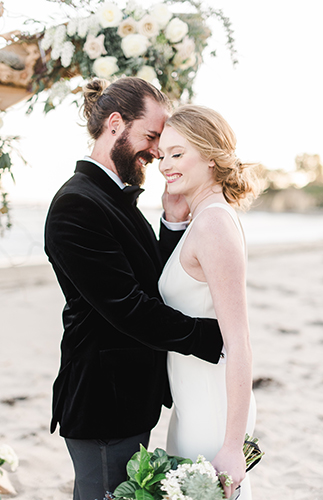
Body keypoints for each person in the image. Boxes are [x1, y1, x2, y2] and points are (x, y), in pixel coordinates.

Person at [44, 78, 224, 500]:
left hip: (126, 397)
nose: (158, 151)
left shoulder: (112, 197)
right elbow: (127, 306)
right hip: (102, 402)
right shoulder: (77, 204)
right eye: (151, 136)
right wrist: (211, 337)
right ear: (115, 124)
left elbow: (152, 281)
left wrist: (172, 223)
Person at [158, 105, 260, 500]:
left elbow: (239, 343)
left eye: (178, 153)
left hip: (211, 412)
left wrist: (232, 446)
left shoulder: (214, 223)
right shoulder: (201, 219)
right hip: (191, 404)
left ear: (212, 157)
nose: (165, 164)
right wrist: (173, 221)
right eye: (163, 153)